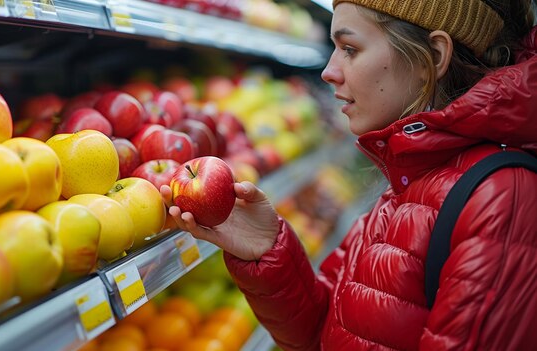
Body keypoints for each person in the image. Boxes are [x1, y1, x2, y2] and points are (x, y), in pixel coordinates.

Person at [161, 0, 537, 349]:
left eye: (351, 49)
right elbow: (330, 334)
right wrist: (269, 251)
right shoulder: (410, 184)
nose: (328, 72)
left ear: (433, 57)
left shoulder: (502, 199)